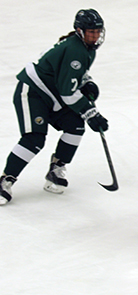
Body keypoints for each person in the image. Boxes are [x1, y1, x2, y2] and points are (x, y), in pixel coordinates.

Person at [0, 9, 109, 205]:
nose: (95, 36)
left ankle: (56, 168)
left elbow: (72, 76)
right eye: (91, 32)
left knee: (75, 126)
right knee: (34, 139)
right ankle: (5, 180)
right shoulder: (75, 50)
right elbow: (68, 92)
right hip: (33, 93)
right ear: (79, 30)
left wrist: (87, 83)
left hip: (53, 95)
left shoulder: (86, 49)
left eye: (98, 31)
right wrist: (91, 113)